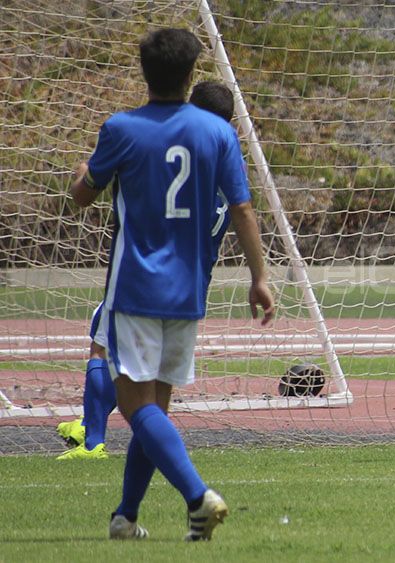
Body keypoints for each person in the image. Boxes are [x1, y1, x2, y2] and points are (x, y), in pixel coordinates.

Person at [68, 29, 274, 542]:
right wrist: (259, 277)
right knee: (155, 409)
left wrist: (81, 174)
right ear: (189, 75)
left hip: (135, 286)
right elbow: (243, 208)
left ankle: (198, 496)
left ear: (145, 72)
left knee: (135, 407)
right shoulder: (217, 133)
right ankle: (125, 517)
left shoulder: (121, 128)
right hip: (188, 292)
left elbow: (82, 196)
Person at [56, 80, 239, 461]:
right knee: (151, 377)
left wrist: (91, 174)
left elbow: (143, 197)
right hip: (190, 288)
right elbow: (243, 210)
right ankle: (92, 424)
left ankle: (93, 442)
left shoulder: (176, 160)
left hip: (147, 276)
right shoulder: (222, 166)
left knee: (105, 347)